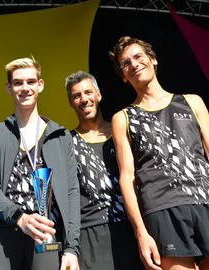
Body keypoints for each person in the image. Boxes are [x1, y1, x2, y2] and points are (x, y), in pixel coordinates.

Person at [109, 36, 209, 270]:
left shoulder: (192, 102)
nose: (133, 64)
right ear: (123, 76)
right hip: (162, 211)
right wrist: (141, 233)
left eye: (138, 57)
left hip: (205, 201)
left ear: (152, 60)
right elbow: (127, 178)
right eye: (125, 63)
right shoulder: (122, 118)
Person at [0, 56, 80, 270]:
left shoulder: (60, 136)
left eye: (31, 81)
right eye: (18, 82)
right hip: (5, 227)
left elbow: (71, 191)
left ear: (40, 85)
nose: (25, 88)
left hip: (46, 231)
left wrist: (71, 248)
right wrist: (19, 218)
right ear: (8, 87)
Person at [65, 71, 144, 270]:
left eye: (88, 92)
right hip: (91, 234)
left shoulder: (123, 131)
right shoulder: (67, 141)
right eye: (77, 95)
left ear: (98, 95)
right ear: (70, 102)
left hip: (132, 228)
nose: (84, 99)